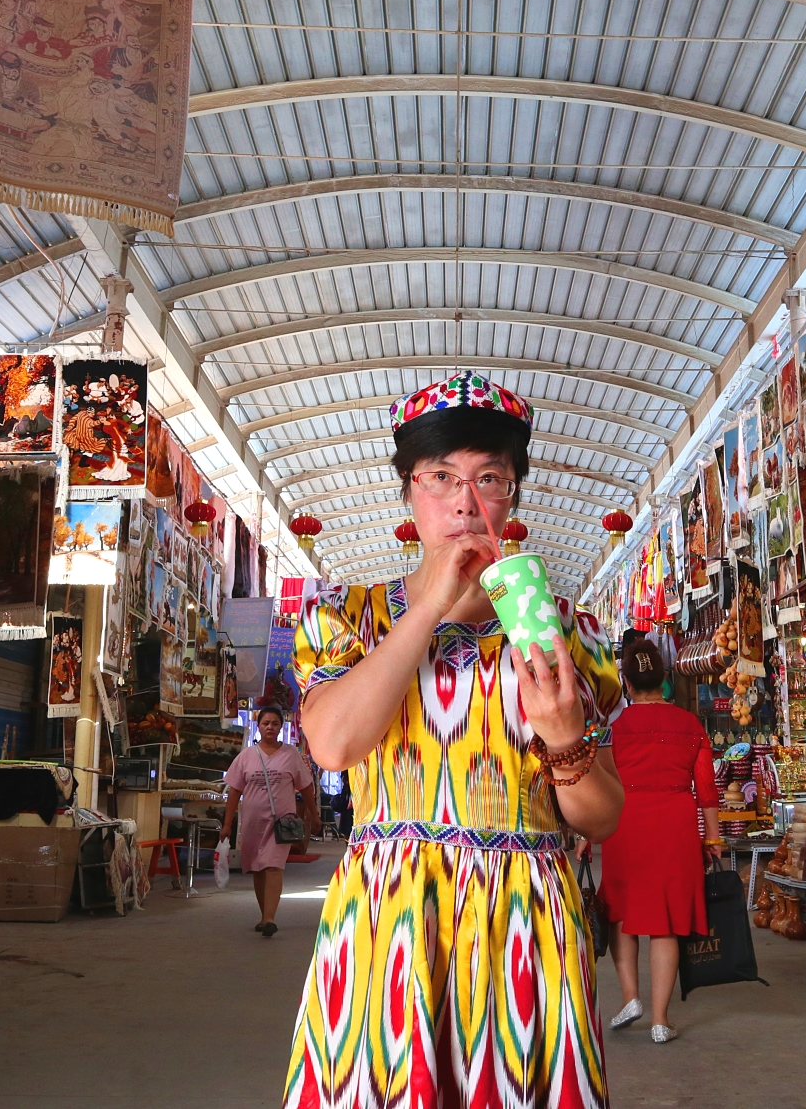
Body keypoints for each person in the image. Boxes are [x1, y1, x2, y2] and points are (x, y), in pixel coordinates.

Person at [284, 371, 624, 1107]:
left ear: (513, 494)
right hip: (393, 925)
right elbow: (334, 744)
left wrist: (567, 741)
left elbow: (600, 815)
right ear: (409, 490)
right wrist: (430, 604)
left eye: (488, 477)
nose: (465, 501)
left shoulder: (563, 631)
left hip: (527, 927)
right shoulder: (350, 618)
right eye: (441, 476)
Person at [598, 635, 720, 1044]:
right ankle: (660, 1020)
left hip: (623, 821)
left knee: (621, 911)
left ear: (627, 684)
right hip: (676, 824)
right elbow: (706, 789)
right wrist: (714, 837)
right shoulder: (690, 725)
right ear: (665, 680)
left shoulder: (614, 729)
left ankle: (631, 997)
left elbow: (600, 784)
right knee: (665, 921)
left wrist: (587, 832)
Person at [222, 705, 315, 937]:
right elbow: (234, 791)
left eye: (274, 723)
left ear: (280, 727)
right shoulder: (246, 756)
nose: (270, 727)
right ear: (258, 726)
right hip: (252, 822)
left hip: (281, 823)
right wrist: (227, 824)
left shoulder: (291, 754)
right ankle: (264, 915)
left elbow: (305, 786)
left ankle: (269, 918)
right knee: (258, 867)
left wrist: (314, 813)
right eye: (266, 723)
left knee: (273, 866)